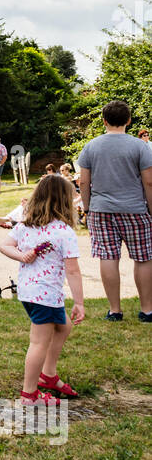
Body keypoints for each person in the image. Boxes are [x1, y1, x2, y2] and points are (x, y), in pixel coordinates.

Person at [0, 174, 84, 407]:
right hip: (44, 295)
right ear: (64, 202)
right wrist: (80, 302)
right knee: (39, 343)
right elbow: (73, 271)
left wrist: (19, 255)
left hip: (31, 292)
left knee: (63, 326)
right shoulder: (64, 232)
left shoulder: (25, 225)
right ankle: (29, 395)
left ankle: (48, 375)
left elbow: (5, 246)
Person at [76, 99, 152, 321]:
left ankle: (115, 310)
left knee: (108, 257)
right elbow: (149, 182)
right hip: (135, 209)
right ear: (128, 120)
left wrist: (88, 209)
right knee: (144, 258)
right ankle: (147, 309)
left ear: (104, 120)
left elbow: (82, 182)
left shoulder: (91, 146)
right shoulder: (140, 146)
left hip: (101, 210)